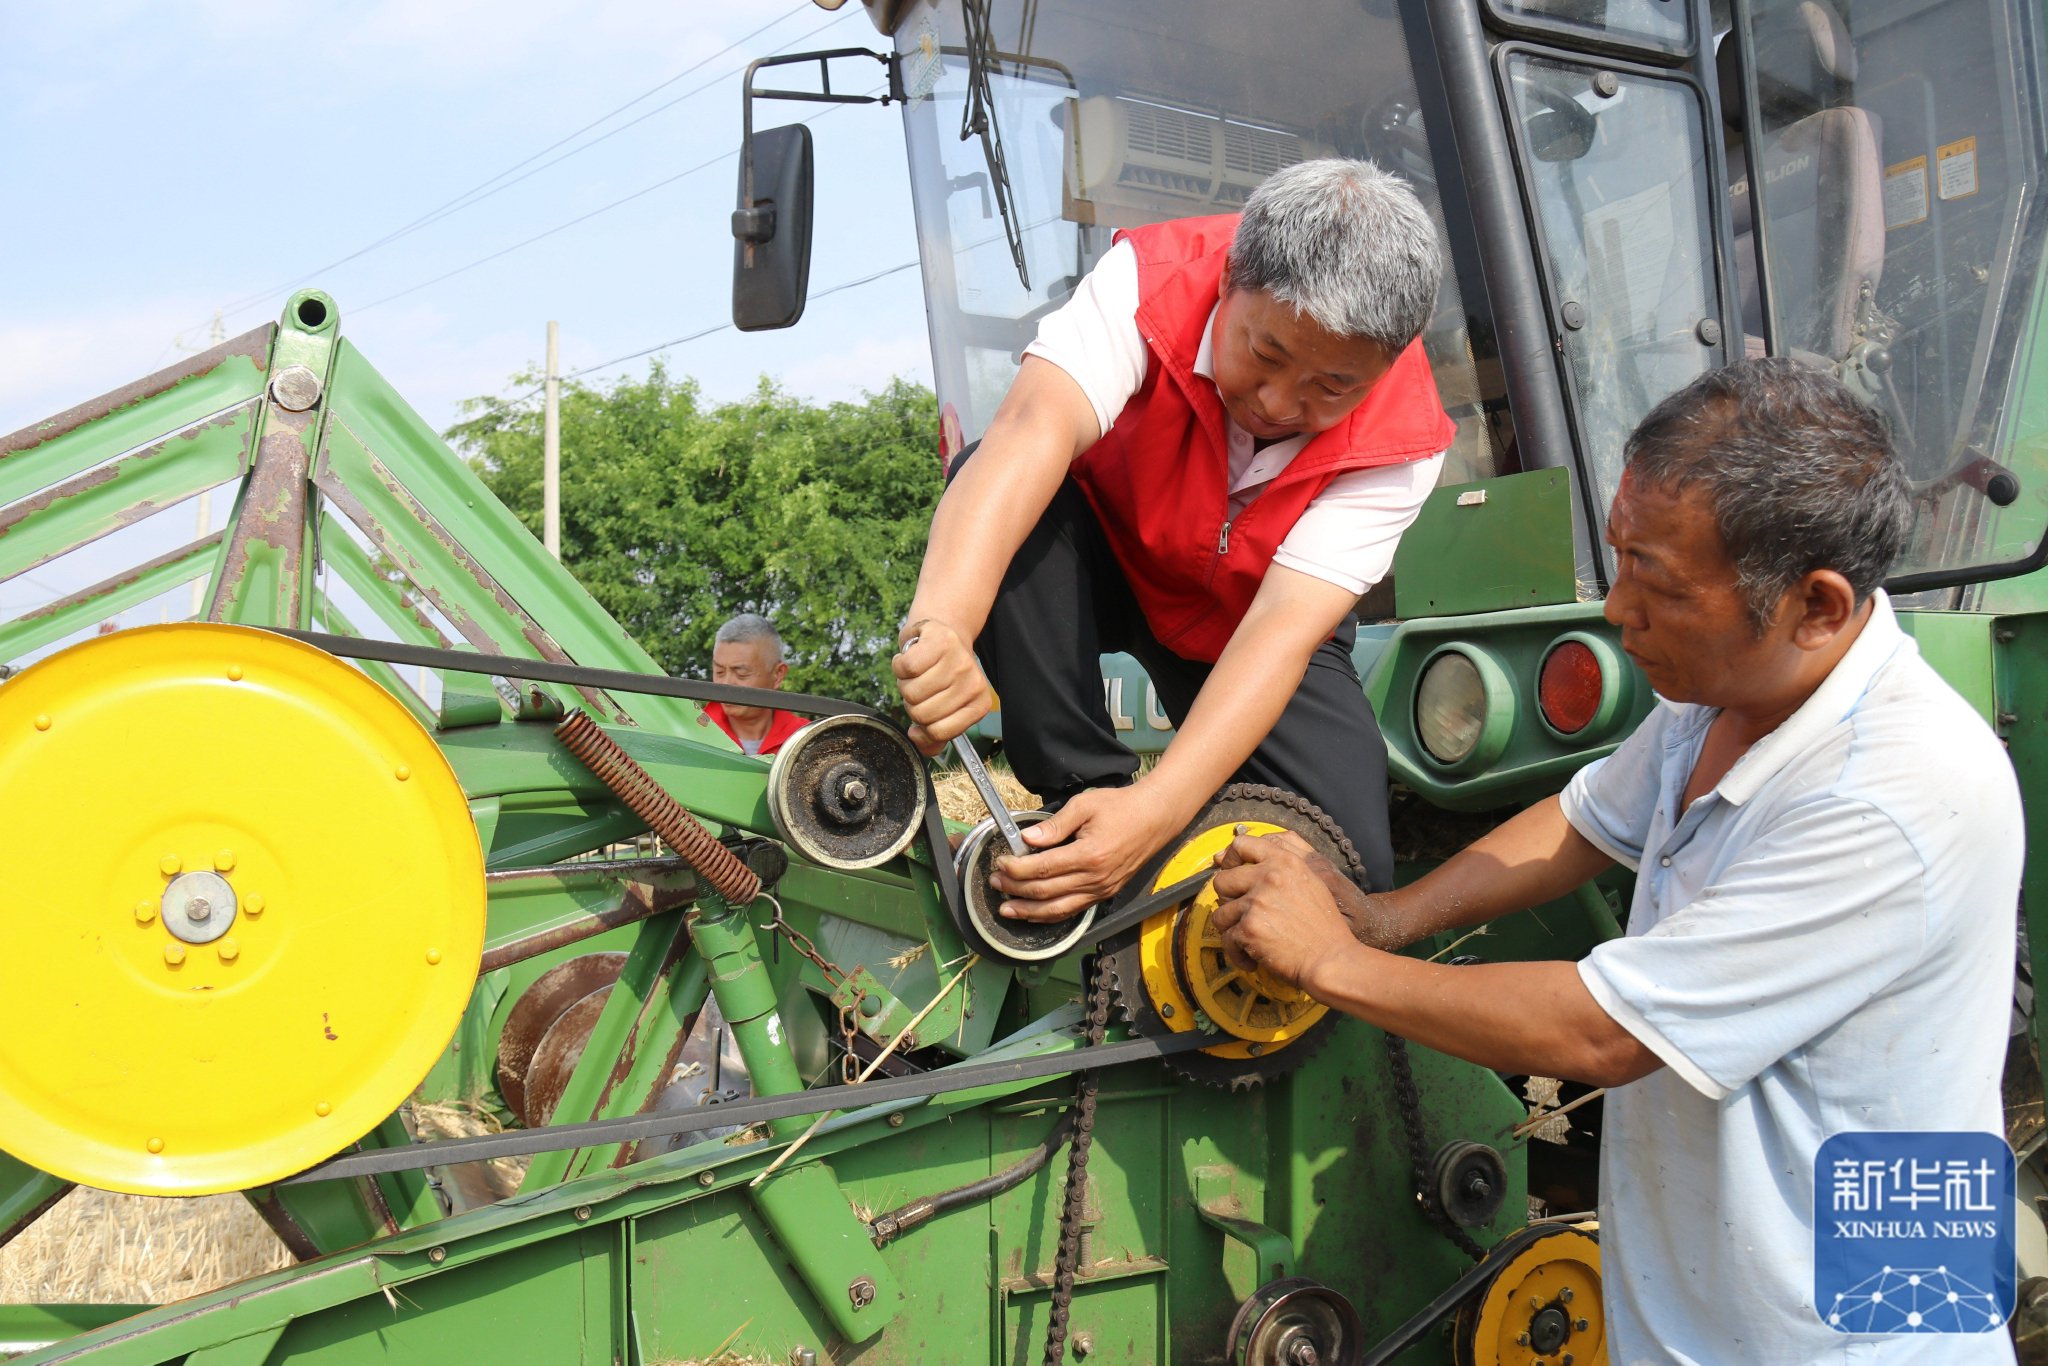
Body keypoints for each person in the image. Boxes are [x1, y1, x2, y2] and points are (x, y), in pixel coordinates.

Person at [1210, 358, 2022, 1363]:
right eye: (1620, 558)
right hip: (1697, 1315)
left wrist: (1331, 962)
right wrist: (1385, 917)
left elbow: (1605, 1033)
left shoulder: (1895, 793)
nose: (1617, 608)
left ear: (1813, 606)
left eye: (1657, 582)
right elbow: (1582, 821)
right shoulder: (1726, 696)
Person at [891, 158, 1454, 922]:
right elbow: (1028, 431)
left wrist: (1159, 810)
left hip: (1249, 618)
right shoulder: (1147, 282)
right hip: (1107, 554)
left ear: (1387, 365)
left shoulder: (1406, 437)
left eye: (1332, 389)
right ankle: (1078, 809)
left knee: (1349, 864)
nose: (1279, 403)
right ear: (1227, 282)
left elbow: (1282, 629)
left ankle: (1150, 844)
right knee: (1003, 486)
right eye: (1265, 355)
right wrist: (943, 626)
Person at [703, 613, 807, 757]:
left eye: (741, 673)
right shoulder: (695, 734)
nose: (726, 684)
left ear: (778, 674)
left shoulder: (806, 740)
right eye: (719, 672)